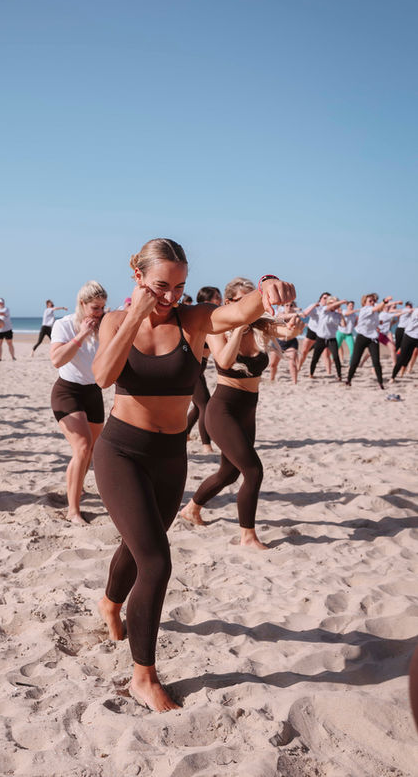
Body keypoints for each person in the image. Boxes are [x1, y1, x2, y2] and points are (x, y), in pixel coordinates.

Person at [92, 239, 295, 712]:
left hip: (169, 457)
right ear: (138, 276)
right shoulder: (115, 322)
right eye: (161, 286)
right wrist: (137, 314)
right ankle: (143, 677)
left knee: (139, 546)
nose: (170, 296)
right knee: (156, 561)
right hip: (121, 453)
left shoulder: (193, 320)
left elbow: (240, 311)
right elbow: (102, 376)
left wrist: (267, 286)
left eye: (179, 286)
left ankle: (109, 602)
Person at [180, 277, 292, 547]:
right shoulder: (217, 329)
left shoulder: (260, 325)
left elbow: (287, 332)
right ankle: (247, 536)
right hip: (223, 411)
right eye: (244, 301)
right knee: (253, 471)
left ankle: (191, 508)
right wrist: (239, 327)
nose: (251, 306)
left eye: (254, 300)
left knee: (229, 473)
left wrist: (295, 325)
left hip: (248, 410)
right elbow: (224, 360)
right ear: (230, 302)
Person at [50, 281, 107, 524]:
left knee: (91, 450)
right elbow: (56, 359)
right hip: (67, 392)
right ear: (82, 304)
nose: (100, 313)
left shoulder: (104, 326)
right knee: (82, 447)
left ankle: (78, 487)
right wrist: (82, 334)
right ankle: (73, 511)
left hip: (93, 392)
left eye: (103, 308)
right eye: (95, 308)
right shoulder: (64, 325)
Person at [186, 286, 222, 451]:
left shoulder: (213, 319)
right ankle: (206, 444)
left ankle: (185, 433)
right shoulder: (203, 320)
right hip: (192, 369)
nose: (219, 299)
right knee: (205, 405)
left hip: (200, 369)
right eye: (216, 297)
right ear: (206, 301)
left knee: (198, 405)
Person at [346, 294, 395, 389]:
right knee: (355, 360)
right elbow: (378, 307)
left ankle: (380, 383)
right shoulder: (365, 309)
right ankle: (348, 380)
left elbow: (374, 318)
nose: (372, 302)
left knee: (376, 361)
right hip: (362, 337)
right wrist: (385, 301)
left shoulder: (374, 311)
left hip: (373, 338)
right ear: (364, 303)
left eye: (373, 301)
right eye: (370, 301)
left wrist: (378, 323)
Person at [309, 296, 347, 381]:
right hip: (321, 338)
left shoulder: (337, 315)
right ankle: (311, 374)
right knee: (315, 358)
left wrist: (341, 315)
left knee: (336, 357)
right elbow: (330, 306)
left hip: (331, 339)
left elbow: (344, 325)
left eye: (335, 304)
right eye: (332, 303)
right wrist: (341, 302)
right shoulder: (324, 310)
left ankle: (339, 376)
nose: (333, 305)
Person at [268, 301, 304, 384]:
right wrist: (296, 314)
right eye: (286, 305)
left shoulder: (297, 319)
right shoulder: (280, 315)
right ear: (283, 307)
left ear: (294, 307)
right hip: (278, 342)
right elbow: (282, 317)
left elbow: (299, 330)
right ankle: (272, 379)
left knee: (292, 363)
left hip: (291, 343)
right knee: (273, 364)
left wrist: (299, 328)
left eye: (291, 305)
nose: (289, 307)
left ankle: (294, 382)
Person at [297, 293, 332, 374]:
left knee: (326, 353)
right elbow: (304, 315)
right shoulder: (315, 307)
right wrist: (314, 306)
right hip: (312, 331)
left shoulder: (329, 308)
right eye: (324, 298)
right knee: (304, 351)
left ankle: (329, 373)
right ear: (320, 299)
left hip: (323, 333)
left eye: (328, 298)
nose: (326, 300)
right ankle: (298, 368)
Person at [391, 306, 418, 381]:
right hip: (409, 336)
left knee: (409, 357)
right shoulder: (416, 311)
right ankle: (393, 377)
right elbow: (396, 310)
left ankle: (402, 373)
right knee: (402, 357)